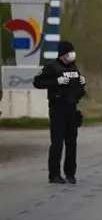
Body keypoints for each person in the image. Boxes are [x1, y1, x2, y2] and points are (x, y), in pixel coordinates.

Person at [33, 40, 86, 184]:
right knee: (57, 143)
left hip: (71, 108)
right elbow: (37, 82)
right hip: (58, 108)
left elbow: (79, 90)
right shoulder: (52, 67)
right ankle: (54, 174)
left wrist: (81, 83)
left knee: (72, 143)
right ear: (63, 54)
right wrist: (56, 82)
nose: (72, 55)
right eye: (69, 52)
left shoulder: (73, 67)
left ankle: (70, 173)